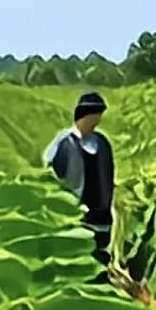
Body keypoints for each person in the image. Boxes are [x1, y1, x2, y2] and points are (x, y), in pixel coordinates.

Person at [43, 92, 114, 263]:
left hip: (102, 219)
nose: (97, 122)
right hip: (77, 220)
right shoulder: (64, 142)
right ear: (83, 116)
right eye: (94, 117)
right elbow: (48, 173)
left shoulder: (102, 142)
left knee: (101, 260)